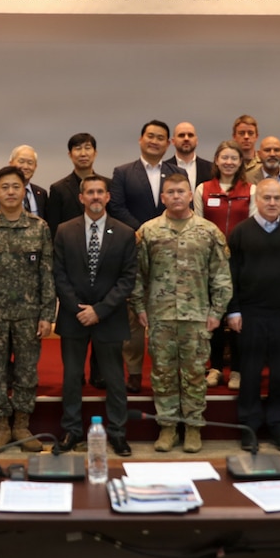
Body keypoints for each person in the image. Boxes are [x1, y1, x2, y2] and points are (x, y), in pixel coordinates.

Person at [135, 174, 232, 454]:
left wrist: (217, 312)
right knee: (163, 374)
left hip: (197, 317)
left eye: (181, 191)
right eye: (170, 192)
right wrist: (139, 308)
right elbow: (138, 275)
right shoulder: (149, 231)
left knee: (193, 375)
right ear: (162, 198)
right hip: (160, 316)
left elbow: (221, 276)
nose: (176, 196)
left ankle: (192, 428)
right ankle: (167, 428)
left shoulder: (208, 231)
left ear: (191, 196)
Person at [0, 166, 56, 453]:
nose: (9, 192)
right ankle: (1, 427)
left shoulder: (39, 227)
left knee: (26, 372)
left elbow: (47, 273)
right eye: (4, 187)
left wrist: (47, 315)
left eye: (15, 187)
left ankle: (21, 423)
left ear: (24, 190)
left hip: (29, 315)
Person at [225, 177, 280, 452]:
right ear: (257, 200)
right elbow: (231, 275)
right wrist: (234, 310)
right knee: (250, 373)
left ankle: (278, 426)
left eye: (277, 198)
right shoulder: (241, 232)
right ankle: (249, 427)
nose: (272, 203)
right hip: (250, 313)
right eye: (267, 198)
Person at [53, 174, 136, 456]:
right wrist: (78, 308)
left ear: (108, 196)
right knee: (72, 377)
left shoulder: (124, 233)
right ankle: (72, 430)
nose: (96, 197)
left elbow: (127, 279)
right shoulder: (64, 230)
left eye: (101, 192)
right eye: (90, 192)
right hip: (73, 316)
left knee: (114, 380)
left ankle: (117, 433)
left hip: (109, 317)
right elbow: (59, 274)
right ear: (81, 197)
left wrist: (99, 311)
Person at [109, 119, 172, 395]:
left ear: (167, 144)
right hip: (134, 248)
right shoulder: (122, 172)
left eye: (160, 138)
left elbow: (180, 203)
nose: (155, 141)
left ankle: (165, 370)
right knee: (134, 315)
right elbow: (118, 207)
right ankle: (134, 372)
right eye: (150, 136)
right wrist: (144, 230)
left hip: (169, 251)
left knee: (166, 312)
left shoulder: (176, 172)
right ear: (141, 139)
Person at [198, 141, 251, 389]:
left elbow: (253, 228)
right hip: (211, 264)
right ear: (216, 161)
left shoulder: (251, 189)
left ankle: (238, 370)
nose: (229, 162)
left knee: (239, 317)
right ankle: (216, 367)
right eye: (224, 157)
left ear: (241, 162)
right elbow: (198, 228)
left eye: (234, 158)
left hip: (242, 263)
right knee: (215, 317)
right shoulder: (202, 190)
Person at [0, 145, 48, 220]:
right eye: (21, 161)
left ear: (35, 166)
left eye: (30, 163)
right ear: (11, 163)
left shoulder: (41, 193)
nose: (25, 166)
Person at [44, 132, 98, 229]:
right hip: (70, 242)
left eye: (87, 148)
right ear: (70, 154)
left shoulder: (108, 185)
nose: (83, 153)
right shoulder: (58, 189)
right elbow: (54, 227)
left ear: (95, 153)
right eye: (78, 148)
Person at [161, 122, 212, 190]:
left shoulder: (211, 169)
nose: (186, 138)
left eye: (190, 135)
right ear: (173, 141)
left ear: (196, 141)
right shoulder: (163, 169)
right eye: (181, 135)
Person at [231, 115, 264, 182]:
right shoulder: (228, 163)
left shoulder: (264, 163)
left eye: (250, 133)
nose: (246, 137)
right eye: (242, 133)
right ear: (234, 136)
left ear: (256, 136)